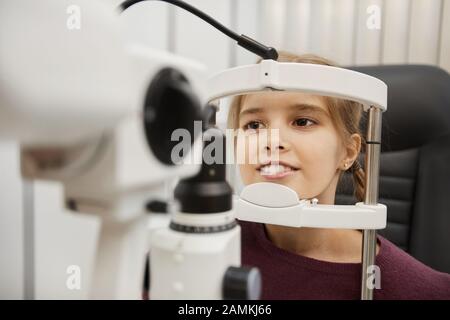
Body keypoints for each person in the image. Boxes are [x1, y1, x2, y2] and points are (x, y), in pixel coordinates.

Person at [227, 51, 450, 299]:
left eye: (302, 121)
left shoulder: (418, 289)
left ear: (349, 151)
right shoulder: (212, 244)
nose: (272, 141)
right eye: (254, 125)